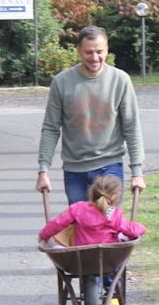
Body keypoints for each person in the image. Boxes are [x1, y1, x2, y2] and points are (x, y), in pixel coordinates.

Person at [35, 25, 147, 206]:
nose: (94, 57)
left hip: (109, 166)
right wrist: (43, 170)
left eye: (99, 52)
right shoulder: (61, 82)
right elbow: (51, 128)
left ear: (107, 50)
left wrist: (137, 172)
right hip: (75, 170)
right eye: (88, 52)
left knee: (108, 220)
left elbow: (131, 126)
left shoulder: (120, 80)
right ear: (79, 51)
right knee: (80, 223)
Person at [38, 175, 146, 305]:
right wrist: (142, 228)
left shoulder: (78, 208)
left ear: (90, 194)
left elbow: (57, 224)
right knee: (122, 240)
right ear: (115, 198)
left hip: (79, 256)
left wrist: (43, 236)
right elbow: (132, 230)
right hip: (108, 257)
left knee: (52, 240)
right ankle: (112, 301)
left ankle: (88, 304)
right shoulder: (114, 215)